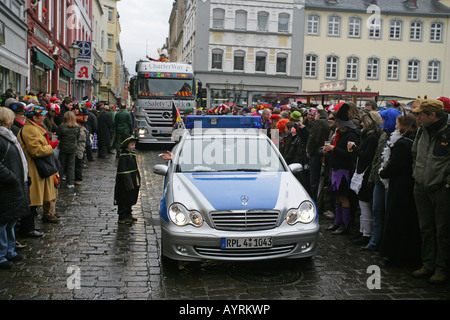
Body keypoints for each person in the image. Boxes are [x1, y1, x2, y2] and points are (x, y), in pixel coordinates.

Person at [411, 99, 450, 284]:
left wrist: (446, 183)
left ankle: (441, 268)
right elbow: (415, 153)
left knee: (442, 230)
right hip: (421, 186)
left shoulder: (447, 131)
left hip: (441, 188)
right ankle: (428, 264)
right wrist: (416, 174)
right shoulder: (422, 130)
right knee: (425, 228)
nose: (418, 117)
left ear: (432, 116)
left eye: (421, 114)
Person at [379, 114, 421, 268]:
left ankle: (396, 255)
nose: (396, 125)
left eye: (398, 123)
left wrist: (383, 172)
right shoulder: (409, 141)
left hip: (400, 187)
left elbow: (395, 166)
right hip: (405, 185)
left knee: (397, 220)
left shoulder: (402, 144)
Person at [18, 105, 57, 236]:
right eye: (41, 116)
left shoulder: (33, 128)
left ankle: (30, 227)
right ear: (34, 117)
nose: (44, 117)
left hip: (36, 167)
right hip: (33, 168)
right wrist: (50, 147)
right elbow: (36, 151)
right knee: (32, 200)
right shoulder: (30, 129)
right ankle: (27, 228)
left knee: (33, 200)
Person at [0, 107, 30, 269]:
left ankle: (10, 250)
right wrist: (11, 177)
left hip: (15, 183)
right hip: (6, 185)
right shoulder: (1, 138)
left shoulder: (8, 135)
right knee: (3, 222)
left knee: (11, 220)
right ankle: (1, 254)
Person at [323, 103, 358, 235]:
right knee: (337, 197)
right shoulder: (340, 134)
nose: (335, 123)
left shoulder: (351, 135)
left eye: (336, 121)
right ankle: (337, 222)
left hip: (344, 170)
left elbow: (350, 154)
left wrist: (334, 149)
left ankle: (345, 224)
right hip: (336, 168)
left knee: (343, 197)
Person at [348, 111, 381, 245]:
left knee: (365, 205)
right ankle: (363, 231)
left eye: (363, 121)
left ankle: (366, 233)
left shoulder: (372, 138)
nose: (361, 123)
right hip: (363, 172)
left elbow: (366, 156)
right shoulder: (369, 136)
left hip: (366, 173)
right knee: (362, 205)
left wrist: (355, 148)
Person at [114, 134, 141, 224]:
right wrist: (128, 181)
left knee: (130, 198)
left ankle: (128, 213)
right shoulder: (124, 156)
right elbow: (123, 170)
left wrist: (137, 178)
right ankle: (122, 217)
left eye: (134, 145)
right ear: (126, 146)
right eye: (131, 145)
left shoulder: (132, 155)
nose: (133, 146)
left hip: (132, 180)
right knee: (123, 198)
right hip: (124, 182)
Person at [306, 108, 330, 203]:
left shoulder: (318, 123)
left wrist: (309, 150)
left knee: (314, 180)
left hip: (316, 153)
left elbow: (313, 138)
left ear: (318, 115)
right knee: (320, 180)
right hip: (324, 152)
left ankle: (314, 201)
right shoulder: (328, 123)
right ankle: (319, 201)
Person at [56, 111, 80, 189]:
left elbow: (58, 136)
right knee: (71, 166)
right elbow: (77, 137)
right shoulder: (77, 127)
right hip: (73, 148)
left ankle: (58, 181)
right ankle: (70, 183)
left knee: (61, 165)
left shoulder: (62, 126)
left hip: (63, 147)